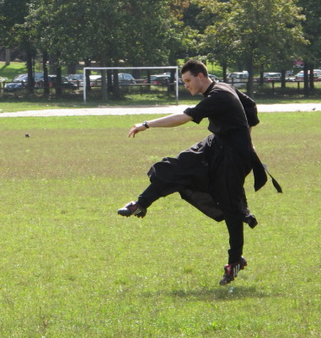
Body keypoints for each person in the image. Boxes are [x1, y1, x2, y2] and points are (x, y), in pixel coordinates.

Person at [118, 59, 281, 286]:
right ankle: (140, 204)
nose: (185, 86)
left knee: (230, 206)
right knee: (174, 167)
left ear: (200, 76)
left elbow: (183, 118)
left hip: (233, 156)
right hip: (216, 144)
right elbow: (251, 106)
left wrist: (146, 124)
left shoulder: (219, 96)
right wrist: (248, 135)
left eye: (187, 81)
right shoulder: (223, 87)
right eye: (183, 81)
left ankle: (235, 260)